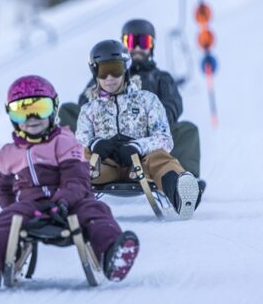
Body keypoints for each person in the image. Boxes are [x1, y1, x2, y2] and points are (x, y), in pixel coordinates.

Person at [0, 75, 140, 290]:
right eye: (22, 111)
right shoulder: (9, 153)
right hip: (31, 207)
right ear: (11, 115)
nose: (32, 117)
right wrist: (11, 206)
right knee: (5, 220)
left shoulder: (64, 141)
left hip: (71, 205)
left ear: (53, 109)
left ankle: (112, 254)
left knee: (96, 210)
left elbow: (77, 178)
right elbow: (0, 183)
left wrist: (63, 201)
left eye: (40, 108)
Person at [76, 40, 202, 219]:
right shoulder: (89, 108)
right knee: (82, 161)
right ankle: (66, 202)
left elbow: (165, 137)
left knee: (160, 157)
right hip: (104, 166)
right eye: (103, 71)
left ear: (126, 68)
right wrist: (95, 144)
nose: (109, 78)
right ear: (95, 73)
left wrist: (138, 146)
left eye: (115, 70)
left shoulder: (147, 100)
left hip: (140, 164)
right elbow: (79, 140)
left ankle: (180, 192)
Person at [58, 18, 201, 176]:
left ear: (152, 45)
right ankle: (68, 169)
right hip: (105, 138)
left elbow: (173, 104)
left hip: (149, 137)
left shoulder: (160, 78)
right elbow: (85, 102)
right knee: (69, 111)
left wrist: (149, 122)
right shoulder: (106, 73)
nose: (138, 48)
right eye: (132, 41)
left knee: (187, 130)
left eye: (144, 42)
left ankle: (184, 180)